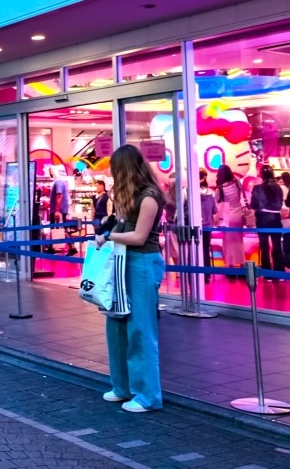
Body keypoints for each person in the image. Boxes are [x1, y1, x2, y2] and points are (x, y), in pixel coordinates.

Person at [96, 144, 166, 413]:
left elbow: (139, 237)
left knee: (140, 328)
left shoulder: (149, 197)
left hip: (141, 263)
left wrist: (109, 236)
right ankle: (123, 387)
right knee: (116, 324)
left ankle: (147, 395)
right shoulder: (130, 196)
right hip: (124, 262)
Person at [249, 166, 285, 272]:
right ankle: (279, 271)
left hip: (263, 218)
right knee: (277, 245)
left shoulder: (257, 188)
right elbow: (280, 203)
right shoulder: (278, 187)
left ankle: (266, 272)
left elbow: (254, 204)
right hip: (276, 217)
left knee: (264, 245)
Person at [215, 165, 245, 267]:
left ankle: (230, 265)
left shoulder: (220, 189)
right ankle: (242, 264)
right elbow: (243, 193)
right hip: (239, 214)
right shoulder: (237, 184)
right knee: (239, 241)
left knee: (228, 242)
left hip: (227, 217)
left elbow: (216, 201)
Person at [198, 171, 218, 269]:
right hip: (208, 225)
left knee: (196, 248)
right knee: (206, 248)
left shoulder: (191, 193)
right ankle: (207, 273)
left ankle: (197, 271)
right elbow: (215, 210)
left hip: (196, 226)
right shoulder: (211, 193)